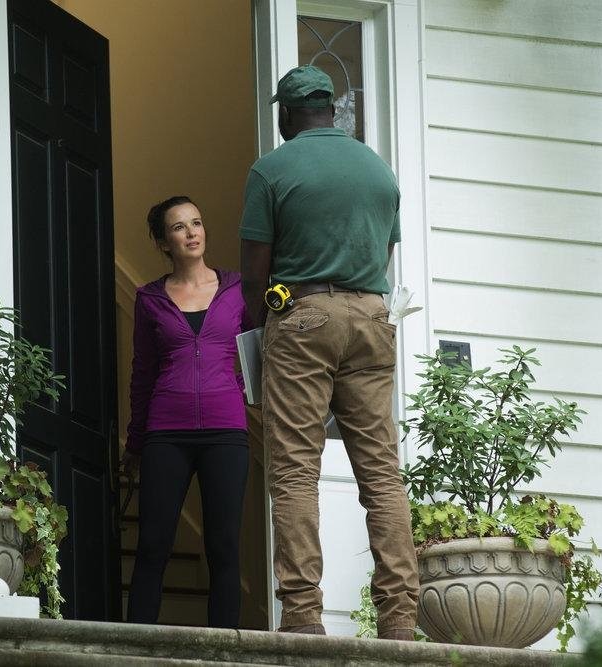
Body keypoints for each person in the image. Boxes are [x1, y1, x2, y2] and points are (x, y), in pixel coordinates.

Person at [239, 65, 419, 639]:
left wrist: (263, 332)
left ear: (288, 114)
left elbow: (254, 273)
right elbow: (384, 253)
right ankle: (399, 619)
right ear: (332, 110)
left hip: (303, 316)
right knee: (382, 476)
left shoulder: (271, 170)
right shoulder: (377, 170)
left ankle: (302, 619)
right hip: (372, 316)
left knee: (294, 471)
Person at [122, 195, 250, 628]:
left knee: (223, 546)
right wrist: (135, 442)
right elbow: (142, 374)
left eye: (197, 222)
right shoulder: (149, 299)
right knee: (154, 544)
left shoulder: (237, 289)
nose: (192, 232)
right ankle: (138, 646)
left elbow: (261, 351)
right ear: (163, 242)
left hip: (226, 432)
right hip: (166, 432)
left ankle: (224, 650)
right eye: (179, 227)